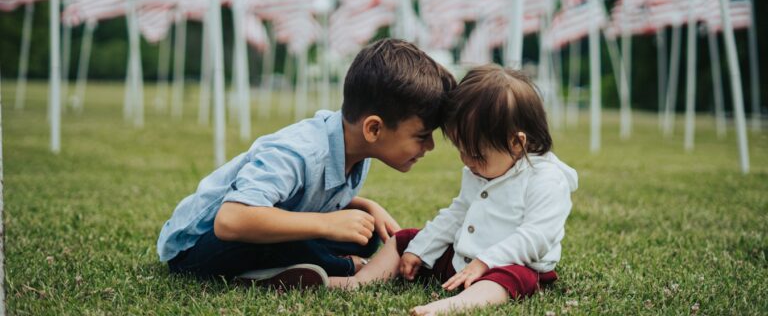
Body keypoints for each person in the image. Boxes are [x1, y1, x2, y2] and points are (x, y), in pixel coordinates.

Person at [156, 38, 457, 288]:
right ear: (374, 129)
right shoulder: (299, 152)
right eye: (422, 135)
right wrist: (327, 224)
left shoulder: (355, 148)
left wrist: (365, 207)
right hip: (197, 249)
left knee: (364, 238)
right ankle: (344, 269)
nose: (429, 146)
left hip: (258, 228)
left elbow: (304, 196)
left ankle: (281, 271)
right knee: (302, 241)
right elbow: (231, 220)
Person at [329, 64, 578, 316]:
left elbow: (536, 236)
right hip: (463, 259)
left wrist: (486, 262)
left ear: (517, 142)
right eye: (461, 150)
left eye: (476, 155)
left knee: (510, 279)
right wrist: (420, 249)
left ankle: (451, 306)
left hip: (510, 266)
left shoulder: (546, 179)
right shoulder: (480, 170)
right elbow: (457, 214)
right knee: (405, 239)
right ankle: (360, 281)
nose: (467, 162)